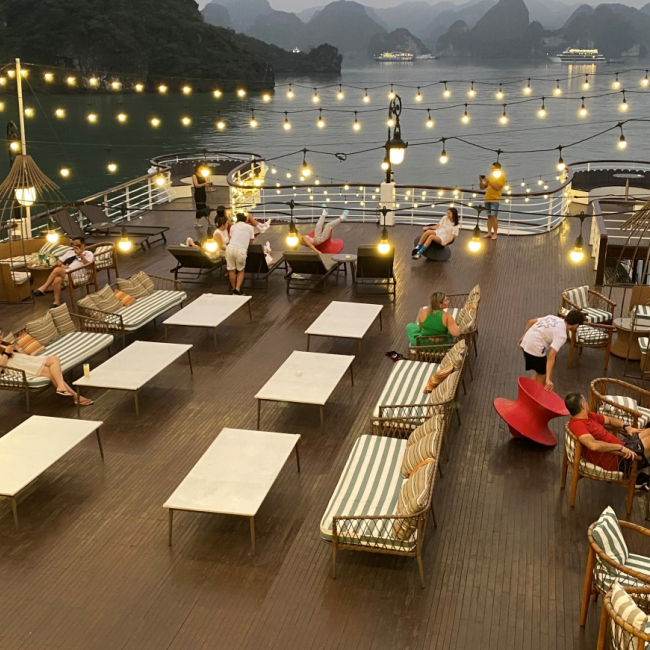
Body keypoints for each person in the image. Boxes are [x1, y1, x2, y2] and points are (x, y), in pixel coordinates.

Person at [565, 392, 650, 487]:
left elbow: (609, 420)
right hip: (617, 459)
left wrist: (626, 427)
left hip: (622, 446)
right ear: (583, 405)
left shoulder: (588, 416)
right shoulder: (578, 425)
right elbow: (593, 445)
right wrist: (620, 448)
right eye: (585, 401)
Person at [0, 330, 92, 405]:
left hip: (26, 360)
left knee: (55, 359)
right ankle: (76, 396)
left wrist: (16, 349)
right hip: (19, 366)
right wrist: (7, 353)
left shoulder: (3, 343)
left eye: (1, 334)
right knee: (50, 372)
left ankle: (61, 387)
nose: (0, 337)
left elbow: (18, 355)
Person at [519, 311, 585, 392]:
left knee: (539, 371)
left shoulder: (552, 317)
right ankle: (535, 396)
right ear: (576, 325)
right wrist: (548, 379)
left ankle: (528, 392)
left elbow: (531, 321)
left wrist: (523, 337)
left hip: (526, 342)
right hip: (534, 348)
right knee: (543, 375)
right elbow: (551, 357)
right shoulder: (561, 335)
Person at [32, 236, 94, 309]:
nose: (75, 247)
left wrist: (81, 255)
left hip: (77, 274)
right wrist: (62, 265)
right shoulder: (70, 252)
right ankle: (56, 302)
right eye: (73, 245)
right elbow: (59, 261)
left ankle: (44, 287)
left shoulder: (88, 253)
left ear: (83, 245)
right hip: (67, 273)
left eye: (78, 245)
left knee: (57, 270)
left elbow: (89, 266)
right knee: (57, 279)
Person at [225, 213, 255, 295]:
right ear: (245, 220)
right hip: (241, 250)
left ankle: (233, 288)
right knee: (241, 270)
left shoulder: (233, 227)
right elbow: (251, 241)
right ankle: (237, 289)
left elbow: (231, 238)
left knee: (231, 270)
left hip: (230, 249)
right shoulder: (250, 227)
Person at [479, 162, 507, 240]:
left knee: (494, 217)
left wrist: (489, 182)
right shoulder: (491, 177)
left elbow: (497, 187)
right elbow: (482, 187)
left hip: (495, 199)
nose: (491, 170)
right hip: (487, 198)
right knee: (489, 216)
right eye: (491, 168)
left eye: (493, 168)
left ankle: (495, 233)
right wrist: (481, 181)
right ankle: (489, 232)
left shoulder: (501, 177)